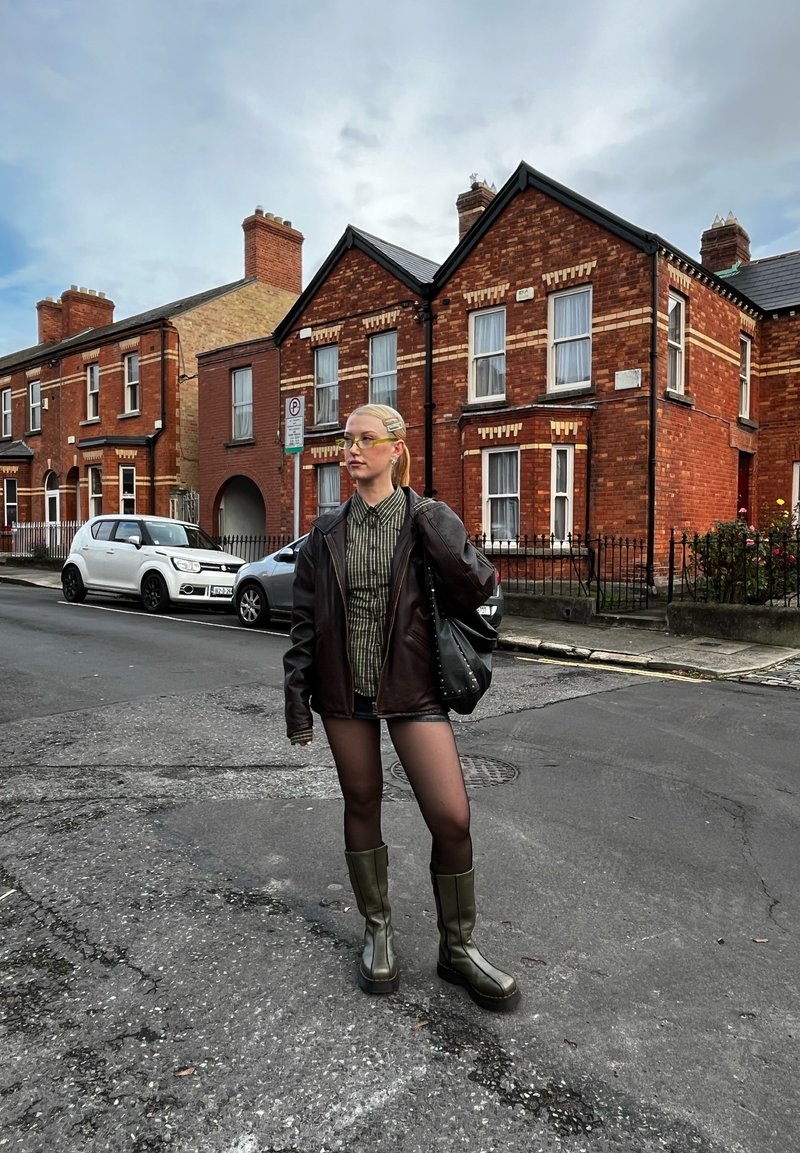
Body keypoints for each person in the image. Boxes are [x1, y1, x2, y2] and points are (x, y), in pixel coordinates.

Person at [283, 403, 520, 1012]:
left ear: (395, 448)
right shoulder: (325, 533)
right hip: (344, 689)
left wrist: (437, 525)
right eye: (348, 439)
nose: (353, 450)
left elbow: (480, 584)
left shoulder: (424, 519)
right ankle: (378, 931)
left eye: (366, 439)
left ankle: (458, 948)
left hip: (413, 685)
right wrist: (297, 699)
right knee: (362, 802)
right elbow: (305, 623)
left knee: (452, 817)